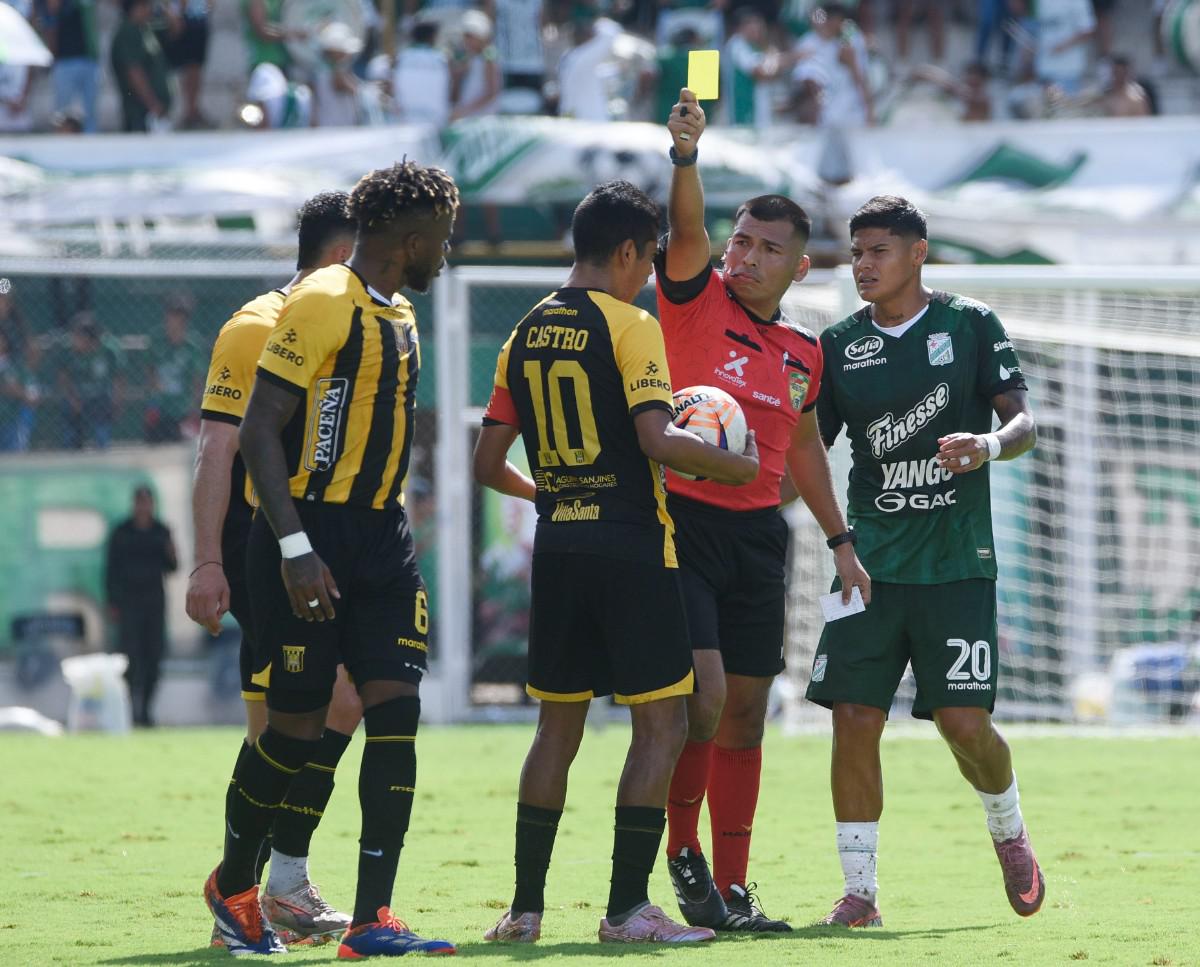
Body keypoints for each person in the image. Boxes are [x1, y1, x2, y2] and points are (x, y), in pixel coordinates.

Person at [475, 180, 759, 946]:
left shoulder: (524, 330)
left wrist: (552, 494)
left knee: (555, 730)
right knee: (661, 724)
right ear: (629, 250)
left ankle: (525, 910)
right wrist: (735, 467)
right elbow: (659, 441)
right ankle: (628, 908)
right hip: (633, 546)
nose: (648, 274)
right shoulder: (632, 325)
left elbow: (486, 460)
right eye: (648, 259)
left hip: (560, 547)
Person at [202, 160, 459, 958]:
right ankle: (234, 887)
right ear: (411, 239)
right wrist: (295, 548)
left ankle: (371, 920)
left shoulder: (403, 313)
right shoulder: (318, 302)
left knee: (395, 713)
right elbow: (254, 432)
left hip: (382, 542)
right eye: (443, 239)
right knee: (294, 729)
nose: (446, 253)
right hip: (303, 538)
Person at [656, 88, 870, 934]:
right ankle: (682, 852)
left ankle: (735, 886)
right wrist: (685, 155)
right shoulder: (693, 297)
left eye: (763, 248)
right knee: (701, 698)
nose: (742, 256)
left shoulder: (804, 352)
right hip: (680, 520)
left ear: (797, 267)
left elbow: (806, 449)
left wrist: (841, 537)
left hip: (758, 536)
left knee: (747, 709)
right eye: (738, 240)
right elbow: (683, 231)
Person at [807, 195, 1043, 927]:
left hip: (956, 561)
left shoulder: (970, 325)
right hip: (867, 564)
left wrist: (988, 445)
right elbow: (805, 446)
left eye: (878, 251)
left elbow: (1024, 422)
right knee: (851, 717)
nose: (863, 265)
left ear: (918, 253)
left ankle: (1008, 830)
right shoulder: (839, 343)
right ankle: (859, 893)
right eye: (855, 253)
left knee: (964, 726)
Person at [187, 191, 363, 947]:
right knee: (275, 721)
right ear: (336, 257)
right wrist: (205, 561)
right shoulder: (256, 326)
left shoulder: (359, 322)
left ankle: (283, 878)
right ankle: (243, 894)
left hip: (321, 540)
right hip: (261, 541)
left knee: (345, 699)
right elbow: (218, 449)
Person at [106, 485, 178, 726]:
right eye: (140, 502)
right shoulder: (122, 532)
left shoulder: (161, 531)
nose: (143, 507)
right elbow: (111, 569)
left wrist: (171, 549)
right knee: (131, 658)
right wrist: (113, 602)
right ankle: (129, 710)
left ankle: (146, 711)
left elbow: (173, 567)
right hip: (129, 604)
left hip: (154, 603)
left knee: (153, 657)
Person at [792, 3, 874, 127]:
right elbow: (807, 81)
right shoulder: (809, 42)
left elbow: (862, 78)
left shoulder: (853, 38)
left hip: (853, 110)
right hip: (825, 111)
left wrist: (869, 111)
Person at [145, 292, 205, 443]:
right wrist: (153, 399)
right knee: (155, 445)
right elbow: (150, 371)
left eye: (178, 315)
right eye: (170, 314)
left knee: (181, 448)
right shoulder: (156, 339)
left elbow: (197, 379)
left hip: (183, 408)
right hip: (160, 407)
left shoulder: (193, 345)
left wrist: (194, 407)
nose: (172, 319)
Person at [37, 0, 101, 134]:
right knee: (62, 113)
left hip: (88, 58)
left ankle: (92, 145)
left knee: (90, 113)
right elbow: (50, 16)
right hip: (64, 60)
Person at [110, 0, 172, 132]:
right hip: (140, 113)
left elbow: (176, 29)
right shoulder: (128, 32)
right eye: (143, 5)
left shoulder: (145, 30)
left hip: (153, 113)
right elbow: (134, 72)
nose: (148, 9)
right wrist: (153, 104)